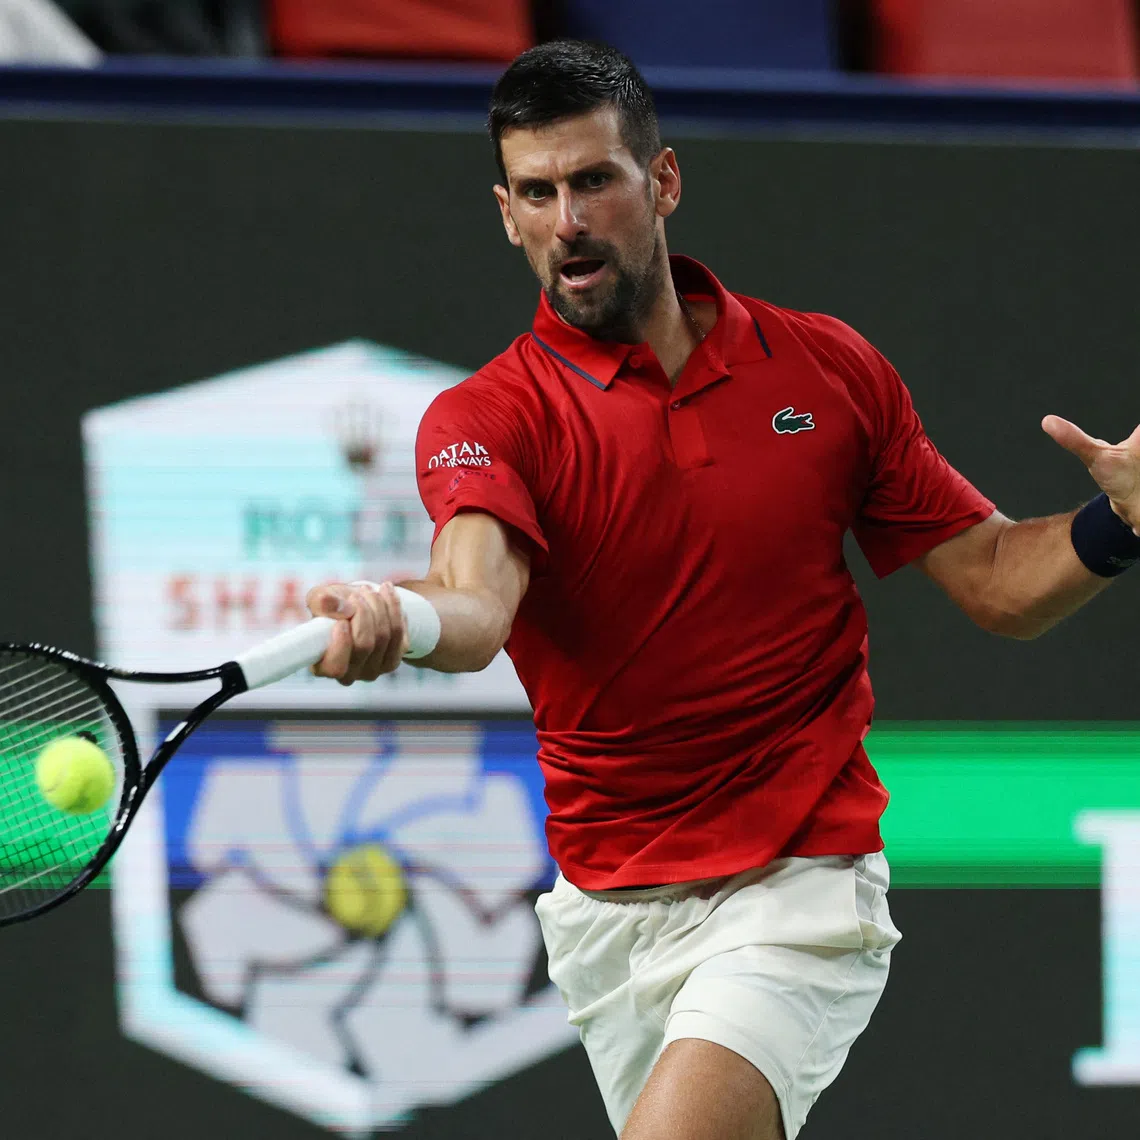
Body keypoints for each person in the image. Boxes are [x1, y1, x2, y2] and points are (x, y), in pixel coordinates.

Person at [306, 40, 1140, 1140]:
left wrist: (1118, 523)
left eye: (595, 181)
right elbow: (476, 604)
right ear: (506, 213)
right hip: (610, 910)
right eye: (539, 194)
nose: (569, 222)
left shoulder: (826, 371)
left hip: (798, 883)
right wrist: (402, 621)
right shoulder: (489, 419)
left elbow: (994, 580)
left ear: (662, 182)